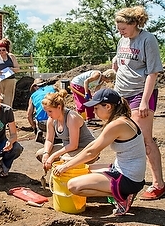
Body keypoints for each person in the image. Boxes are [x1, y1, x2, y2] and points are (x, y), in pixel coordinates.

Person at [53, 88, 146, 216]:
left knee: (73, 186)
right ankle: (122, 193)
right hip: (128, 172)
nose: (94, 112)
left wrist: (66, 166)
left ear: (108, 106)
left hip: (129, 179)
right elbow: (93, 144)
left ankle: (122, 196)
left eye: (96, 108)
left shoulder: (116, 125)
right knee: (85, 169)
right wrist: (71, 160)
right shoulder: (122, 120)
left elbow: (92, 152)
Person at [112, 6, 165, 200]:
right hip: (122, 93)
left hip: (140, 93)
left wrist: (144, 102)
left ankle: (158, 183)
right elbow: (123, 58)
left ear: (134, 24)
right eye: (119, 29)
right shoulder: (122, 40)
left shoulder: (148, 40)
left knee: (143, 140)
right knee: (122, 138)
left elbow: (153, 72)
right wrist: (116, 61)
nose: (121, 32)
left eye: (124, 28)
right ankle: (126, 177)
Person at [36, 89, 95, 173]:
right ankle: (58, 175)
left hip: (86, 149)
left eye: (50, 111)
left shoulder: (71, 118)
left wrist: (53, 156)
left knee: (65, 159)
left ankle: (73, 177)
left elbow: (73, 145)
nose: (48, 114)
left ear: (59, 107)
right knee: (40, 154)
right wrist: (46, 154)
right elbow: (49, 140)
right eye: (46, 112)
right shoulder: (51, 119)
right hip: (69, 148)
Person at [26, 78, 56, 143]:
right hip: (56, 121)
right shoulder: (53, 89)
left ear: (35, 87)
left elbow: (28, 115)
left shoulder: (33, 96)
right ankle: (56, 133)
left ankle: (40, 130)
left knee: (36, 115)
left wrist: (34, 127)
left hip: (43, 124)